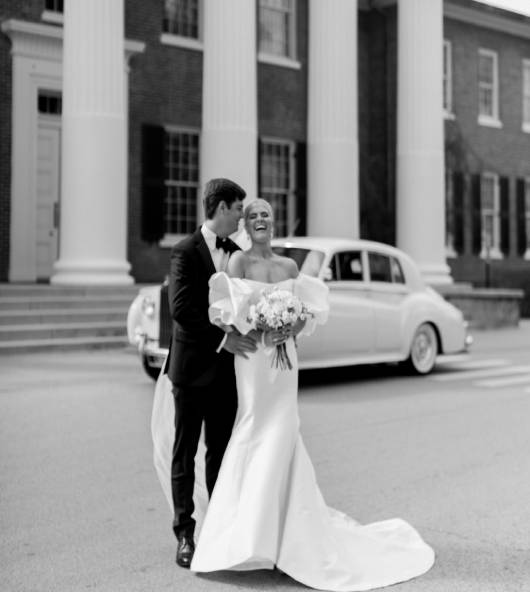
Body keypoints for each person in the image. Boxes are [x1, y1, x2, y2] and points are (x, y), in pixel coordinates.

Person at [153, 198, 435, 590]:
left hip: (284, 363)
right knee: (252, 429)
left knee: (284, 433)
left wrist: (290, 327)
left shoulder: (289, 267)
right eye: (252, 216)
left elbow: (305, 311)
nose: (259, 220)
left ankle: (286, 540)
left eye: (265, 215)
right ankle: (244, 536)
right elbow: (228, 312)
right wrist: (256, 329)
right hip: (253, 361)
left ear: (273, 221)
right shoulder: (237, 263)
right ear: (245, 226)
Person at [164, 178, 258, 568]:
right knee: (185, 454)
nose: (242, 215)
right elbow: (182, 310)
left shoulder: (238, 253)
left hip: (224, 374)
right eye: (238, 208)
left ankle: (217, 529)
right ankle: (185, 534)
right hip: (190, 370)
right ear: (221, 207)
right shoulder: (185, 251)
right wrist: (224, 340)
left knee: (220, 452)